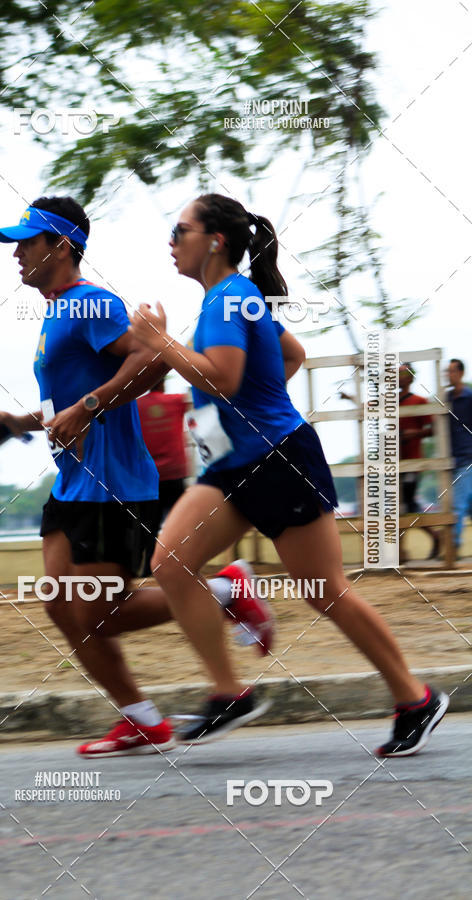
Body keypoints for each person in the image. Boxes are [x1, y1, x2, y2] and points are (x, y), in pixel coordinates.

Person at [129, 192, 449, 756]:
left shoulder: (231, 298)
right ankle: (228, 694)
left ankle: (415, 698)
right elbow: (292, 354)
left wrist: (162, 344)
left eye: (180, 231)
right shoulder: (231, 298)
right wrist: (255, 400)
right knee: (171, 564)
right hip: (232, 465)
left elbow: (223, 378)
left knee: (324, 590)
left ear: (215, 241)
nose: (170, 242)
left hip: (279, 460)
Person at [0, 195, 272, 758]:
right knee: (60, 605)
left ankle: (225, 591)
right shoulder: (57, 311)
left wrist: (89, 407)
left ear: (61, 247)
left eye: (27, 242)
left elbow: (152, 358)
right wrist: (18, 422)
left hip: (113, 484)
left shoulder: (91, 303)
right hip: (73, 482)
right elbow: (66, 403)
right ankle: (141, 719)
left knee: (97, 613)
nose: (17, 254)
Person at [137, 378, 189, 573]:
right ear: (163, 383)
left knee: (149, 526)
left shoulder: (137, 407)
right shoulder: (176, 401)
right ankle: (184, 564)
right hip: (175, 474)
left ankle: (148, 568)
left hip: (148, 479)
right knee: (183, 524)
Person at [398, 364, 441, 560]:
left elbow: (433, 429)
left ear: (410, 377)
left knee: (408, 504)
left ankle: (434, 535)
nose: (398, 377)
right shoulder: (390, 402)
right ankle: (401, 551)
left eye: (401, 373)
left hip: (413, 461)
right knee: (398, 505)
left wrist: (413, 433)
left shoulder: (419, 401)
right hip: (394, 462)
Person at [446, 358, 472, 556]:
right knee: (465, 504)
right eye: (448, 371)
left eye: (452, 371)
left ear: (461, 373)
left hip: (466, 456)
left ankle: (453, 545)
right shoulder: (447, 398)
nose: (449, 375)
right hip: (452, 458)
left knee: (459, 504)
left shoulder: (469, 397)